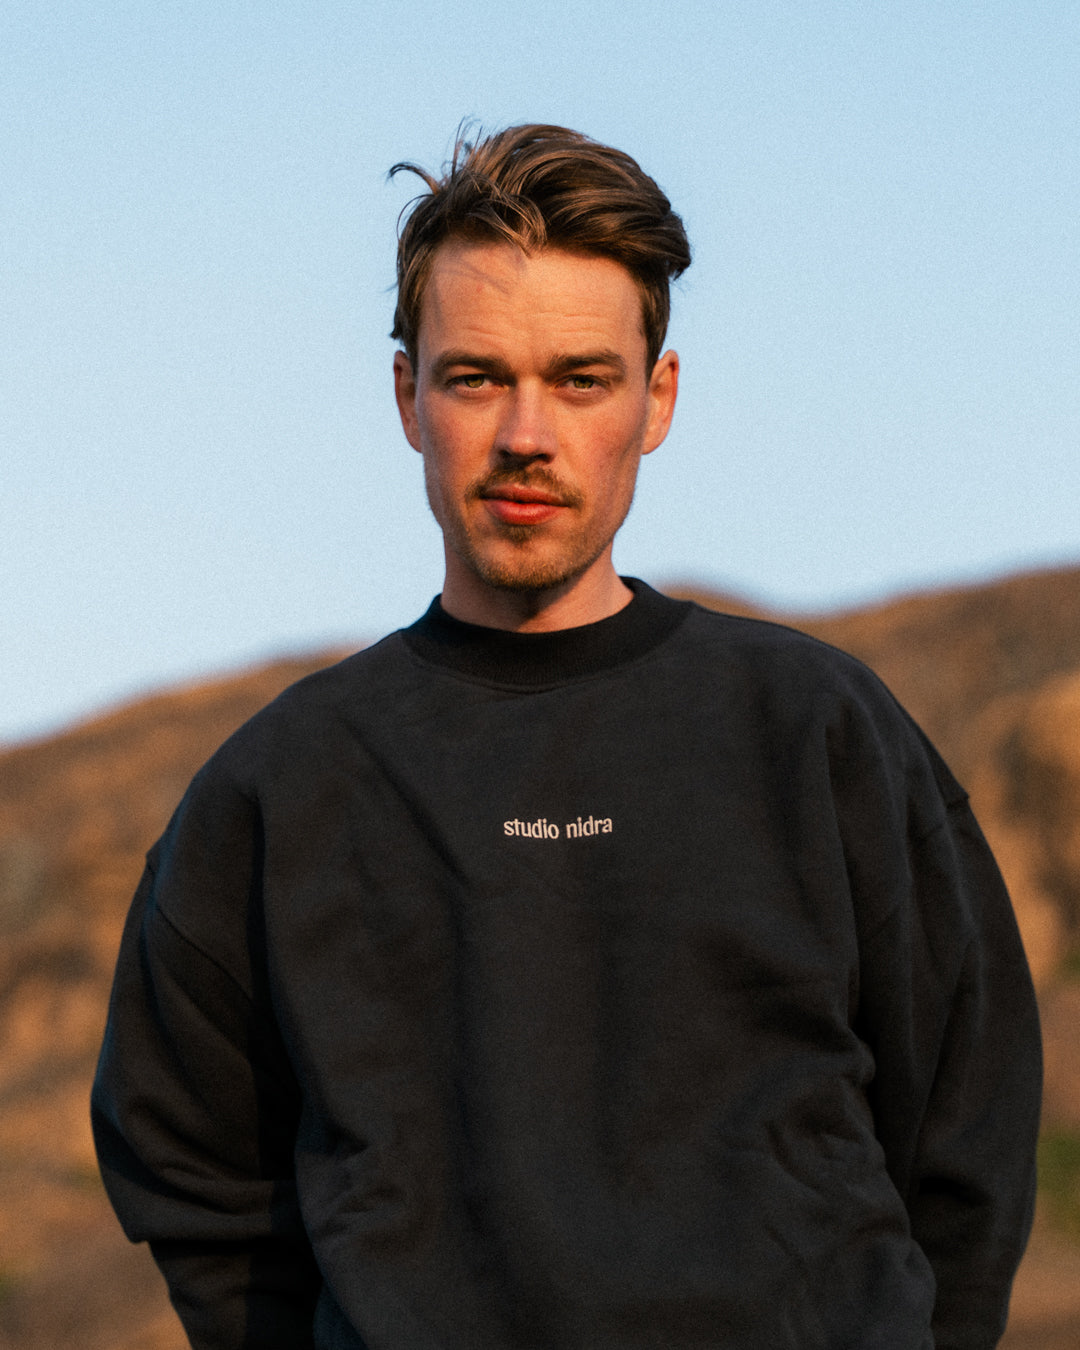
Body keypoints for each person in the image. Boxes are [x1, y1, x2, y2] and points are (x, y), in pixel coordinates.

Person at [92, 124, 1041, 1350]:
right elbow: (189, 1164)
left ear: (657, 400)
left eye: (581, 379)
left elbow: (968, 1130)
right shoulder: (281, 789)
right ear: (407, 399)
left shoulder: (819, 732)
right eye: (476, 377)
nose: (526, 435)